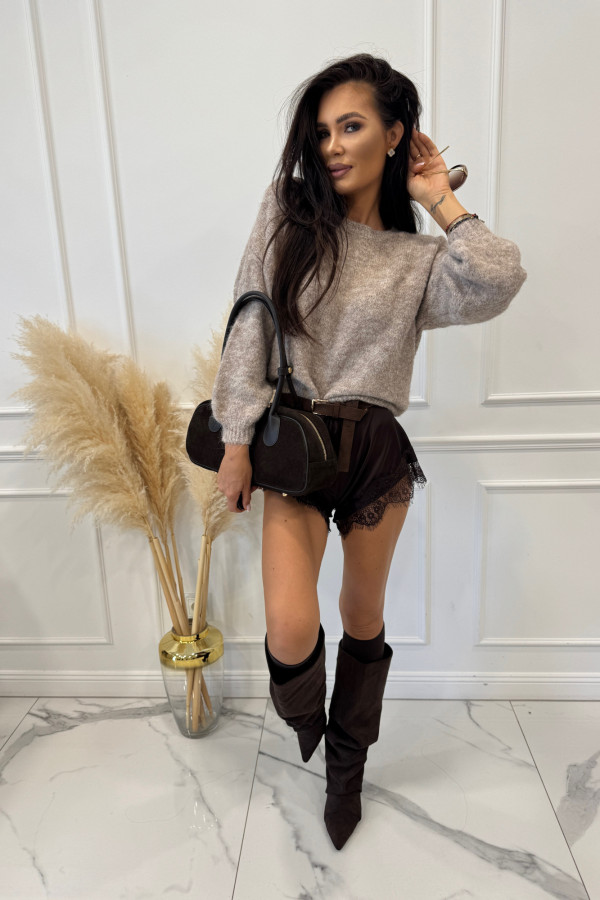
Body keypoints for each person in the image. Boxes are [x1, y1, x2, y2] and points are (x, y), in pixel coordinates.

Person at [210, 53, 527, 850]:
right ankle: (310, 726)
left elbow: (500, 278)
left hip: (375, 453)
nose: (331, 146)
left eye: (350, 126)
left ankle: (345, 771)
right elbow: (249, 319)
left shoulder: (421, 261)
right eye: (321, 131)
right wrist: (236, 439)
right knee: (290, 629)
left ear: (394, 135)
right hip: (297, 447)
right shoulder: (288, 217)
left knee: (361, 615)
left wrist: (440, 198)